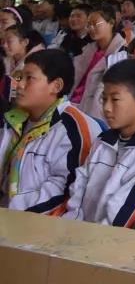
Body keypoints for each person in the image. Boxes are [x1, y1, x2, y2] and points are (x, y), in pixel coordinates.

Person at [63, 59, 135, 226]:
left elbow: (122, 220)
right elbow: (78, 192)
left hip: (113, 239)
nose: (107, 108)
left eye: (115, 100)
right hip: (78, 233)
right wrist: (70, 227)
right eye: (104, 99)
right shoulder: (103, 140)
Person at [0, 49, 102, 213]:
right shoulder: (14, 120)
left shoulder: (73, 128)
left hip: (35, 221)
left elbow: (63, 193)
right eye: (19, 78)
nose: (19, 85)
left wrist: (9, 211)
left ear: (56, 86)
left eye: (29, 78)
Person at [71, 7, 128, 119]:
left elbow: (106, 90)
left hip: (93, 112)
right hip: (73, 103)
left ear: (111, 23)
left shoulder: (121, 53)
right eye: (89, 25)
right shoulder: (88, 49)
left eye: (95, 24)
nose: (91, 28)